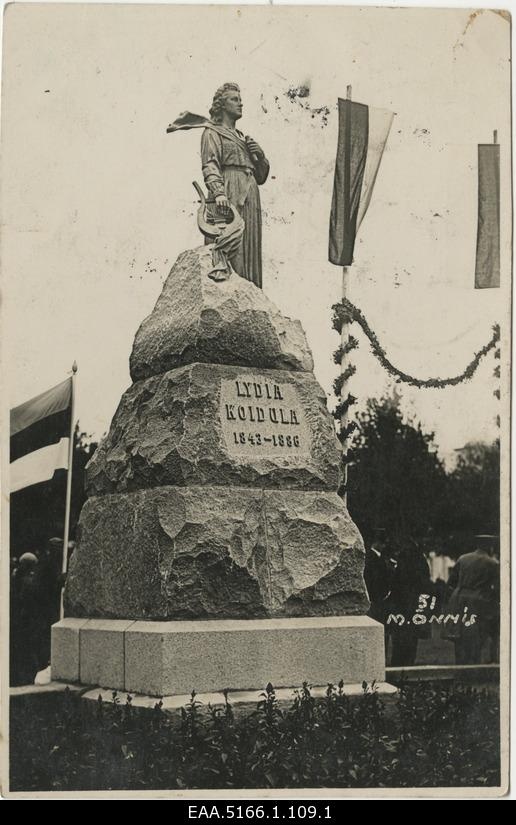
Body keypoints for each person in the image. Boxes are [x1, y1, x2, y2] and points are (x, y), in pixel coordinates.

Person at [200, 83, 270, 288]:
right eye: (234, 100)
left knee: (250, 244)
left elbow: (262, 176)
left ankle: (251, 292)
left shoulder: (244, 138)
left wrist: (261, 157)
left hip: (251, 191)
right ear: (222, 105)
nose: (240, 104)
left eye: (240, 100)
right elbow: (210, 163)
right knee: (232, 242)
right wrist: (218, 192)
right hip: (229, 189)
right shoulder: (213, 132)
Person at [445, 535, 500, 665]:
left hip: (459, 599)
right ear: (490, 546)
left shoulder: (463, 559)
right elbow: (497, 587)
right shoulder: (492, 563)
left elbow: (451, 582)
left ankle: (459, 667)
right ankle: (473, 667)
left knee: (459, 636)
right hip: (479, 601)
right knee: (477, 636)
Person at [388, 539, 431, 667]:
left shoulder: (402, 562)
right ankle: (407, 668)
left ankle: (398, 669)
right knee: (410, 642)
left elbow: (395, 585)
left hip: (400, 606)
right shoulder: (420, 561)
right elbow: (425, 586)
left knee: (400, 642)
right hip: (412, 605)